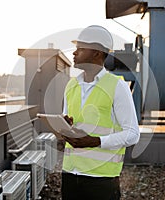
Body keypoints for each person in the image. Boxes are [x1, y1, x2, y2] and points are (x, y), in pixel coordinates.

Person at [59, 25, 140, 200]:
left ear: (97, 52)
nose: (74, 53)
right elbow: (70, 124)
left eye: (80, 49)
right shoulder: (71, 85)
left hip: (101, 180)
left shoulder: (117, 87)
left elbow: (132, 134)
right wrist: (64, 126)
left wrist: (95, 141)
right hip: (70, 174)